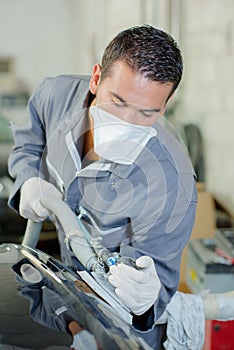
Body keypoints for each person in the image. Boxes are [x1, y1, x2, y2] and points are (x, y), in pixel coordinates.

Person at [8, 25, 197, 349]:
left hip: (119, 325)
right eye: (118, 103)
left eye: (146, 112)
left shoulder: (171, 186)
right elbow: (29, 146)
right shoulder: (55, 97)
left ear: (163, 108)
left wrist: (144, 299)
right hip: (61, 294)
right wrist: (28, 179)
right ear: (96, 79)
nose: (127, 124)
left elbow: (156, 290)